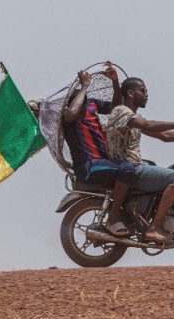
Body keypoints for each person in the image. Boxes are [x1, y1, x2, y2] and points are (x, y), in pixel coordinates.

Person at [105, 77, 174, 244]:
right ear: (130, 93)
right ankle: (154, 228)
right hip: (129, 167)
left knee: (167, 171)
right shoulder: (121, 111)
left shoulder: (135, 117)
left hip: (136, 165)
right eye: (143, 91)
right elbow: (149, 125)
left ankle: (156, 217)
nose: (147, 94)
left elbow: (165, 136)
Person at [63, 63, 135, 237]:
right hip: (88, 166)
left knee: (143, 166)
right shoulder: (67, 117)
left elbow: (116, 108)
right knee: (127, 169)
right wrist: (85, 86)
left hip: (103, 161)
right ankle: (113, 218)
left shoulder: (92, 104)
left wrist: (115, 83)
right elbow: (72, 112)